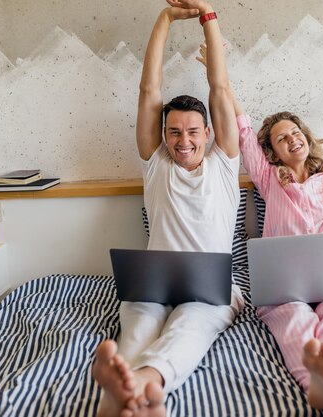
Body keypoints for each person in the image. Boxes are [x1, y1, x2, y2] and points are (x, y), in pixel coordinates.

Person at [198, 40, 323, 416]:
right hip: (287, 288)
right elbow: (242, 125)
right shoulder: (270, 181)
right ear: (273, 153)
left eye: (295, 131)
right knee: (292, 320)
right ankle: (320, 383)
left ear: (306, 135)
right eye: (281, 138)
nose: (292, 139)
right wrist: (216, 71)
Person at [92, 1, 243, 416]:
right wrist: (164, 18)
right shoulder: (156, 163)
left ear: (208, 132)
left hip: (211, 292)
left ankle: (144, 383)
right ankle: (123, 392)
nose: (184, 141)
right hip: (154, 285)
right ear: (163, 135)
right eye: (174, 132)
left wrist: (208, 15)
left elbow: (220, 89)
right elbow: (149, 92)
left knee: (190, 327)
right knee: (138, 325)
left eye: (193, 131)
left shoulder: (225, 163)